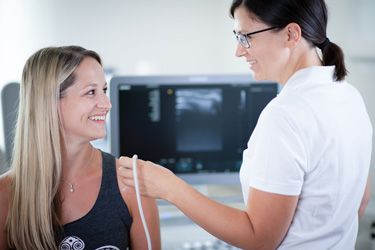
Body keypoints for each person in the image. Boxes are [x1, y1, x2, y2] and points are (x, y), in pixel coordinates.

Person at [118, 0, 372, 249]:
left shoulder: (285, 115)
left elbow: (259, 239)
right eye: (237, 37)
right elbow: (359, 201)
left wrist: (170, 188)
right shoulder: (350, 97)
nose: (239, 51)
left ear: (291, 35)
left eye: (247, 37)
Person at [0, 46, 161, 250]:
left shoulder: (131, 185)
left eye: (103, 90)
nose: (107, 103)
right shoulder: (5, 195)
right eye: (91, 92)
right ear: (49, 102)